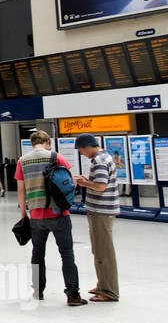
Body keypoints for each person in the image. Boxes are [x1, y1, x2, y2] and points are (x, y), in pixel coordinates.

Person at [16, 131, 85, 306]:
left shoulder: (22, 161)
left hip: (36, 216)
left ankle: (38, 291)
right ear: (47, 142)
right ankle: (72, 295)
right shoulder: (56, 156)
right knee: (67, 253)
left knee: (37, 253)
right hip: (58, 213)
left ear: (32, 143)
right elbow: (70, 182)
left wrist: (24, 214)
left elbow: (21, 190)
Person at [74, 135, 120, 302]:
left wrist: (83, 183)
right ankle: (103, 284)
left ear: (88, 146)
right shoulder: (104, 157)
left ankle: (109, 291)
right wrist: (87, 180)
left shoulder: (99, 161)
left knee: (104, 252)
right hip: (101, 210)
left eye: (81, 149)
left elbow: (100, 186)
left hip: (101, 210)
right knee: (99, 250)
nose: (81, 153)